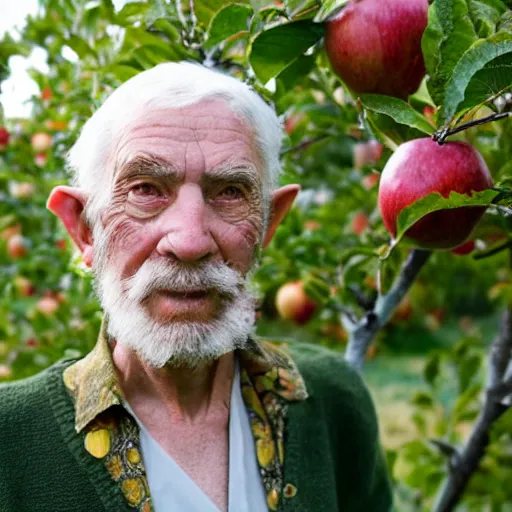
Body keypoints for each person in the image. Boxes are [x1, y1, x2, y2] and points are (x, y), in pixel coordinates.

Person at [0, 61, 392, 512]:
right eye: (146, 189)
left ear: (268, 224)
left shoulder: (331, 401)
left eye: (229, 192)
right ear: (85, 229)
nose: (190, 241)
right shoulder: (10, 442)